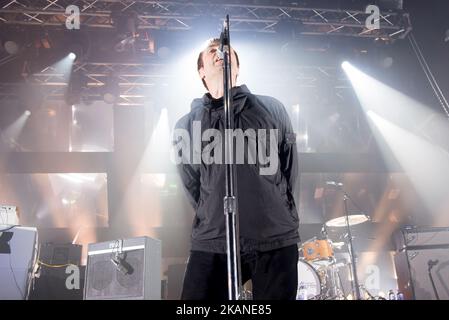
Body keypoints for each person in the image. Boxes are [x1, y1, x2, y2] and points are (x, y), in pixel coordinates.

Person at [173, 38, 300, 300]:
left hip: (274, 238)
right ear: (201, 71)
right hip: (213, 241)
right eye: (211, 51)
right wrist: (212, 214)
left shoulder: (271, 109)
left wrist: (283, 213)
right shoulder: (186, 124)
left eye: (226, 50)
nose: (219, 52)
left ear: (238, 67)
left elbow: (289, 168)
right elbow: (191, 184)